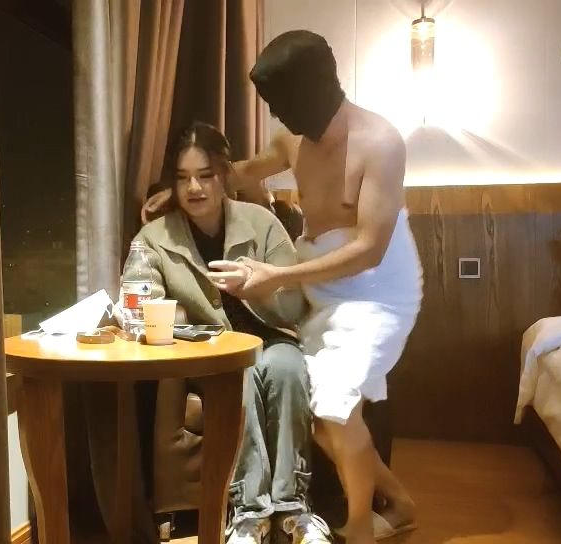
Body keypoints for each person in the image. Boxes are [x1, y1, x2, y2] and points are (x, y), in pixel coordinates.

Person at [206, 30, 423, 543]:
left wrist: (275, 276)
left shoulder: (380, 143)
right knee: (318, 414)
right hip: (322, 291)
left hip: (376, 293)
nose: (279, 117)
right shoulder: (292, 141)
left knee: (335, 404)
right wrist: (175, 193)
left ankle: (360, 527)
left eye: (284, 105)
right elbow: (241, 174)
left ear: (318, 89)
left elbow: (369, 249)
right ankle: (401, 504)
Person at [123, 122, 331, 544]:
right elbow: (136, 303)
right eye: (183, 178)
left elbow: (296, 305)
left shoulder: (261, 223)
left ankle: (293, 510)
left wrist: (261, 285)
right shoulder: (154, 238)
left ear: (223, 175)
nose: (194, 188)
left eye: (205, 175)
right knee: (239, 377)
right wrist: (174, 321)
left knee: (287, 370)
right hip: (212, 354)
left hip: (273, 338)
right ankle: (250, 514)